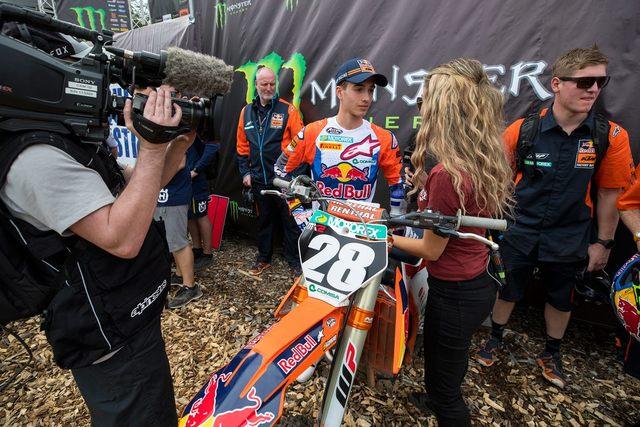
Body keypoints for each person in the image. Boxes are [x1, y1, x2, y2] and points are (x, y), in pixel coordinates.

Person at [0, 81, 192, 425]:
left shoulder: (62, 137)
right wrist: (151, 149)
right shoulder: (36, 156)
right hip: (111, 338)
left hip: (127, 318)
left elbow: (140, 190)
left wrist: (177, 144)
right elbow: (122, 238)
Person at [475, 46, 634, 388]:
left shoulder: (610, 136)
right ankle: (495, 338)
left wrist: (603, 243)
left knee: (561, 297)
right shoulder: (523, 130)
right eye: (585, 82)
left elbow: (610, 195)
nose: (593, 89)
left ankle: (551, 353)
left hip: (570, 233)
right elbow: (497, 182)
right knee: (506, 287)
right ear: (557, 84)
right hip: (519, 227)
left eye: (601, 82)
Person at [391, 58, 513, 426]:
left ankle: (443, 406)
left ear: (441, 110)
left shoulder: (448, 174)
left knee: (448, 391)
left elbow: (430, 249)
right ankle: (433, 396)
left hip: (456, 290)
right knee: (442, 359)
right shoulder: (479, 157)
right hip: (474, 280)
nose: (420, 110)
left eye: (423, 102)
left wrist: (383, 238)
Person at [275, 58, 405, 213]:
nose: (366, 98)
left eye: (370, 90)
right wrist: (299, 213)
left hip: (361, 226)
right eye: (359, 89)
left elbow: (397, 182)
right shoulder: (313, 132)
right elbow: (280, 170)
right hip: (321, 225)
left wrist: (395, 219)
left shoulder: (384, 138)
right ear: (339, 92)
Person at [236, 66, 304, 276]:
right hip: (258, 178)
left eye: (272, 84)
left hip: (284, 180)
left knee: (291, 222)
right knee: (264, 221)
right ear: (256, 85)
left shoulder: (288, 110)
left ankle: (294, 261)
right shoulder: (246, 111)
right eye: (264, 84)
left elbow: (301, 144)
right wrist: (245, 173)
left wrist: (292, 176)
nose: (268, 88)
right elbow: (241, 146)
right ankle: (263, 258)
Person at [187, 136, 219, 270]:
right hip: (184, 180)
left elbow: (213, 147)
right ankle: (197, 248)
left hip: (197, 181)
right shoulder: (181, 129)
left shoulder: (199, 129)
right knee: (189, 215)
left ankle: (207, 254)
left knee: (201, 215)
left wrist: (196, 170)